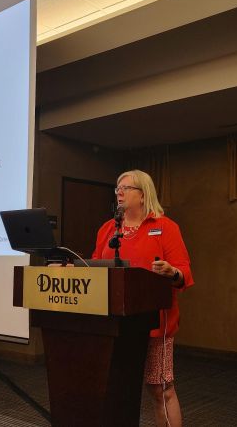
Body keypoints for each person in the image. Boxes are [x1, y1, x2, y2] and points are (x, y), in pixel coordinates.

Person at [92, 169, 194, 427]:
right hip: (113, 324)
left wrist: (172, 271)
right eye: (117, 188)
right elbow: (94, 265)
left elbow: (185, 272)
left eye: (126, 188)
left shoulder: (165, 227)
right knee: (115, 389)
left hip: (154, 324)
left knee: (161, 389)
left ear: (143, 194)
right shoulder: (108, 229)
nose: (119, 193)